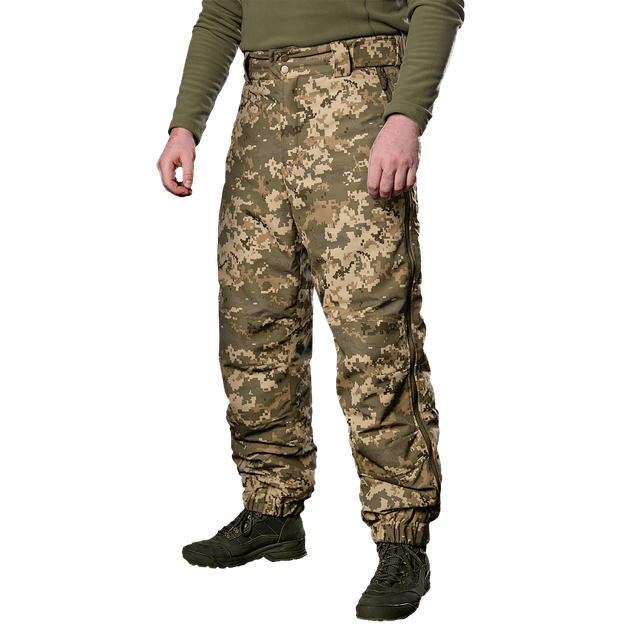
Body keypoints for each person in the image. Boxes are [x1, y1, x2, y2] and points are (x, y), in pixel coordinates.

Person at [156, 0, 465, 622]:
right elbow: (221, 12)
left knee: (374, 331)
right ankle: (271, 509)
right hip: (258, 107)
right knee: (254, 326)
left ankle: (401, 534)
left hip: (356, 94)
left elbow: (438, 1)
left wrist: (406, 113)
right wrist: (186, 123)